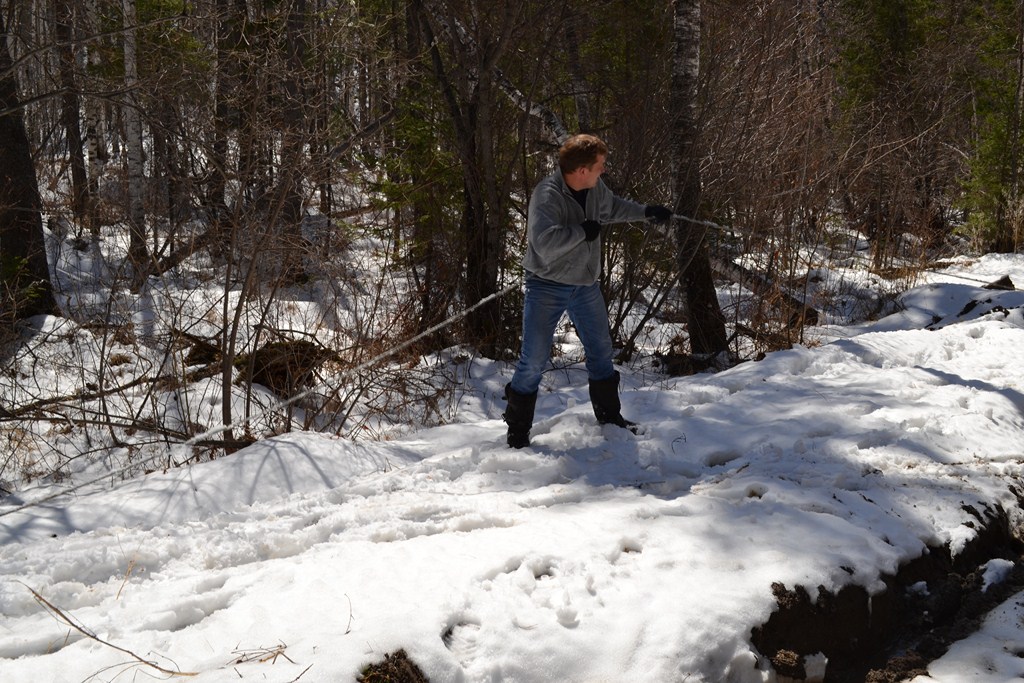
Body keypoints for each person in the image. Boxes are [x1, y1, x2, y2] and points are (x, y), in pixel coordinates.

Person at [503, 134, 672, 448]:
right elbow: (543, 243)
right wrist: (580, 231)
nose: (603, 170)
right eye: (600, 165)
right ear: (582, 170)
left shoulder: (594, 188)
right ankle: (517, 432)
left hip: (584, 284)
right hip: (547, 285)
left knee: (601, 351)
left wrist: (646, 211)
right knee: (534, 359)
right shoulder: (547, 195)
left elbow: (613, 207)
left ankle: (610, 418)